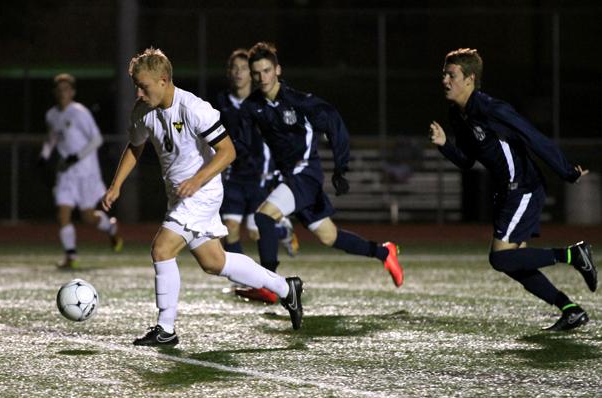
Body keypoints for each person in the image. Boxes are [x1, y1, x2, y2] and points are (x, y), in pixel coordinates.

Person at [102, 47, 304, 346]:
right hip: (181, 195)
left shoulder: (195, 108)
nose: (139, 93)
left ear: (163, 80)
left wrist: (197, 181)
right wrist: (116, 185)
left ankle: (166, 328)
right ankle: (287, 289)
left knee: (161, 249)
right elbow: (135, 146)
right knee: (214, 262)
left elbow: (228, 151)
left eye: (143, 86)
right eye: (137, 86)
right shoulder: (142, 110)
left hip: (203, 191)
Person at [429, 48, 597, 331]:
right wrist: (446, 145)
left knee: (500, 258)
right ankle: (571, 310)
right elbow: (468, 161)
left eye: (451, 75)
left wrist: (566, 171)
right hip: (507, 193)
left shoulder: (491, 108)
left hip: (523, 188)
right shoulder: (458, 116)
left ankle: (571, 255)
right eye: (444, 73)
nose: (445, 80)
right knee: (513, 263)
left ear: (470, 79)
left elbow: (533, 137)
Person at [238, 42, 404, 288]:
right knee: (329, 236)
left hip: (305, 174)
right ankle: (384, 252)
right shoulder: (253, 106)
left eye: (267, 71)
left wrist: (340, 167)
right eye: (257, 73)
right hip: (290, 178)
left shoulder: (298, 101)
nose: (262, 77)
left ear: (278, 70)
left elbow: (333, 122)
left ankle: (269, 286)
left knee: (263, 217)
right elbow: (241, 141)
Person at [214, 48, 300, 304]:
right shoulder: (221, 101)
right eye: (234, 68)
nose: (239, 73)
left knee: (255, 232)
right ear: (229, 73)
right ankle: (248, 281)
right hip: (233, 176)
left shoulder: (261, 101)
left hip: (260, 176)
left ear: (251, 75)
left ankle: (282, 231)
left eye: (244, 68)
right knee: (229, 230)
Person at [39, 73, 123, 269]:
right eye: (59, 90)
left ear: (72, 92)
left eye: (66, 90)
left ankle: (110, 227)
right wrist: (43, 156)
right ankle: (71, 256)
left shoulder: (79, 112)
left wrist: (76, 156)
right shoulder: (51, 115)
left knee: (87, 217)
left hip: (86, 173)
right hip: (66, 173)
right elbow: (52, 137)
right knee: (62, 214)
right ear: (55, 92)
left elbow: (97, 139)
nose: (63, 93)